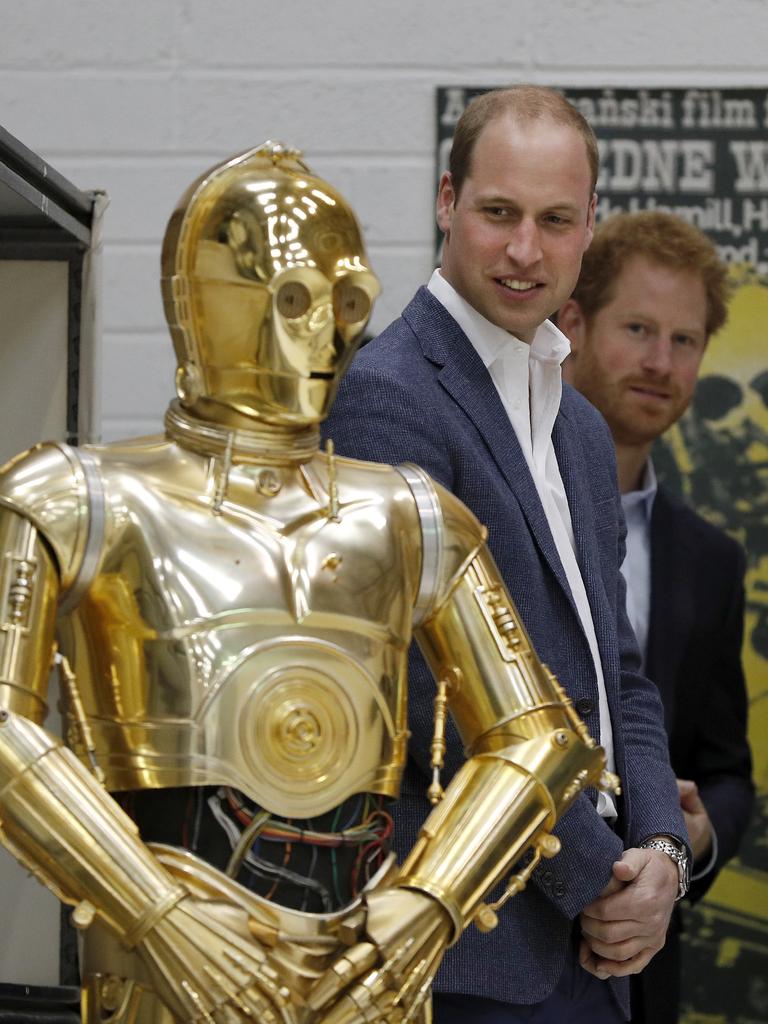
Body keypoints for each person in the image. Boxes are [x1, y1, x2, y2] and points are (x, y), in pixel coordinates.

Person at [0, 142, 617, 1024]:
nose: (326, 331)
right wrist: (153, 906)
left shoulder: (413, 513)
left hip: (369, 975)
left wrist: (427, 904)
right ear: (205, 300)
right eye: (291, 300)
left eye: (347, 302)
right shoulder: (75, 497)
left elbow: (540, 738)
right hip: (160, 979)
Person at [323, 85, 689, 1023]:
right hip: (468, 950)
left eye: (556, 220)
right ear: (447, 201)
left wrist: (661, 856)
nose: (526, 250)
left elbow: (622, 680)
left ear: (587, 228)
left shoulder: (576, 425)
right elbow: (424, 688)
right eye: (499, 213)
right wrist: (603, 874)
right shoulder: (389, 395)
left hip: (591, 949)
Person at [559, 210, 754, 1024]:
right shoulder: (484, 502)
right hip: (487, 940)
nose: (659, 362)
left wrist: (695, 839)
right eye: (637, 328)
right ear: (570, 323)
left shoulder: (709, 560)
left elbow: (728, 771)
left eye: (684, 340)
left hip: (639, 972)